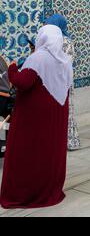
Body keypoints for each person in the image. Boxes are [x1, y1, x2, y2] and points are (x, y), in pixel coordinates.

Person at [0, 25, 73, 209]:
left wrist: (13, 68)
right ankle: (50, 188)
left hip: (35, 119)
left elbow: (21, 82)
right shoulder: (64, 60)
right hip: (55, 116)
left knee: (30, 151)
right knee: (49, 150)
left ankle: (27, 193)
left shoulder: (38, 58)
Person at [45, 14, 80, 151]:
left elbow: (65, 61)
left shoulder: (65, 41)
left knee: (66, 111)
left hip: (62, 81)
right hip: (53, 80)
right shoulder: (53, 39)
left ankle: (69, 141)